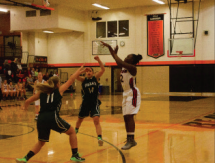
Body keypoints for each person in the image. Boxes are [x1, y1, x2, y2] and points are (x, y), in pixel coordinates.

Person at [16, 65, 87, 163]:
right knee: (72, 132)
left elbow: (28, 100)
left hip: (41, 118)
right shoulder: (59, 91)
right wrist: (79, 70)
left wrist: (25, 107)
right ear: (57, 84)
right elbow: (71, 79)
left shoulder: (42, 92)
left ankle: (25, 158)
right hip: (52, 117)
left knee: (41, 142)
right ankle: (75, 155)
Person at [101, 41, 142, 150]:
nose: (126, 57)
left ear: (132, 60)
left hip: (132, 93)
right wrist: (112, 51)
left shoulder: (132, 68)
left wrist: (110, 47)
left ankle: (131, 140)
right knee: (125, 117)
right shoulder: (124, 67)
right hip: (126, 93)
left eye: (128, 56)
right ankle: (129, 138)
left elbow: (118, 59)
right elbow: (116, 59)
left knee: (129, 116)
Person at [75, 56, 105, 146]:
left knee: (96, 119)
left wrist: (98, 60)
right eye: (87, 71)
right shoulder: (83, 80)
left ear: (92, 73)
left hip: (94, 102)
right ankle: (75, 130)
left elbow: (103, 69)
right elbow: (74, 76)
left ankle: (99, 137)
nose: (88, 72)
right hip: (85, 103)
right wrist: (82, 70)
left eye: (90, 71)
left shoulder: (95, 78)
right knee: (80, 119)